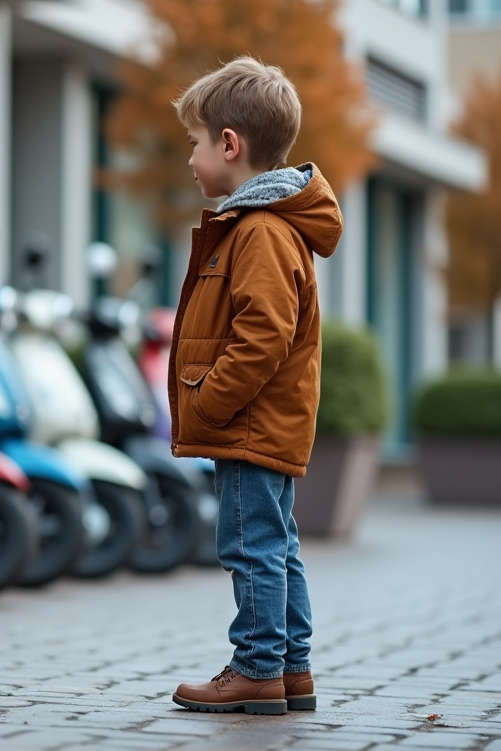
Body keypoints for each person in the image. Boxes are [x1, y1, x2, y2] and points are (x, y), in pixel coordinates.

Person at [166, 57, 342, 715]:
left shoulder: (262, 232)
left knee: (250, 545)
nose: (190, 159)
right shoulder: (263, 227)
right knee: (278, 542)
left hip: (248, 424)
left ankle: (256, 667)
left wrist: (208, 402)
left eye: (195, 143)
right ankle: (290, 668)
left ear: (230, 144)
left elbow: (262, 334)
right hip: (261, 422)